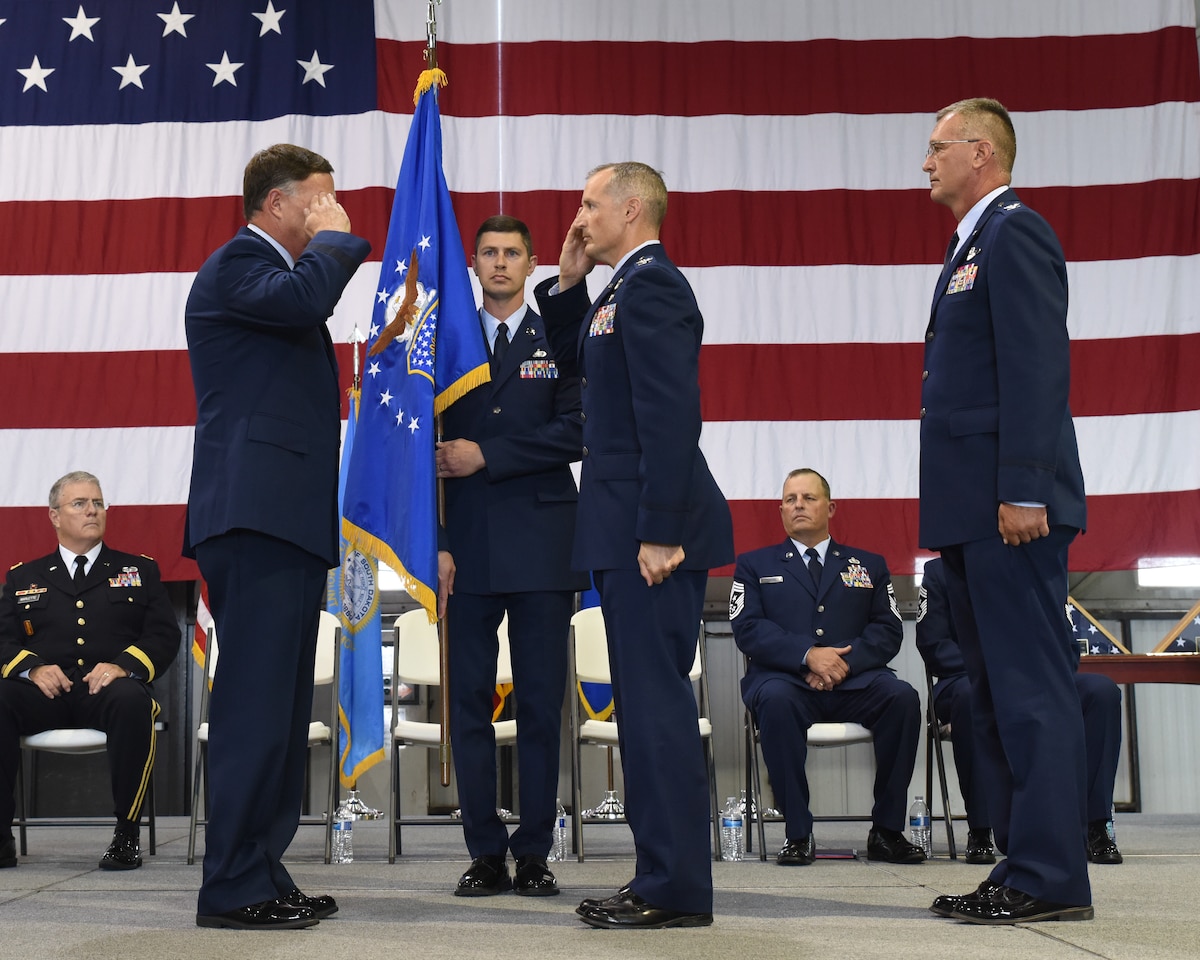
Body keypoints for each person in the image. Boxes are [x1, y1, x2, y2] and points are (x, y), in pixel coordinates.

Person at [534, 162, 733, 930]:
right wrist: (568, 287)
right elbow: (585, 375)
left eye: (589, 205)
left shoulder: (655, 285)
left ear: (631, 208)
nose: (579, 216)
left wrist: (660, 528)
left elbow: (671, 415)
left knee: (655, 714)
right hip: (623, 527)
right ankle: (659, 876)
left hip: (651, 532)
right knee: (645, 711)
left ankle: (675, 887)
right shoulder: (619, 290)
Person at [185, 144, 370, 930]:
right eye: (319, 200)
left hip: (286, 520)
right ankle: (230, 884)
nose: (332, 211)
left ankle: (262, 866)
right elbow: (302, 304)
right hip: (252, 517)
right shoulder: (238, 266)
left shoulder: (274, 277)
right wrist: (335, 243)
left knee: (284, 711)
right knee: (254, 710)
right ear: (276, 205)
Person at [919, 98, 1092, 924]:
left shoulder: (1015, 232)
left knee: (1031, 693)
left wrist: (1025, 485)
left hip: (1009, 505)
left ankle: (1054, 876)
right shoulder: (970, 244)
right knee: (991, 697)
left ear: (979, 153)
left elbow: (1036, 365)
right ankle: (1019, 866)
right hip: (970, 510)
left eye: (937, 148)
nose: (927, 163)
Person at [434, 215, 588, 898]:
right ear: (474, 262)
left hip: (543, 545)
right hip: (463, 549)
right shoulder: (446, 339)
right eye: (489, 253)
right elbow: (421, 448)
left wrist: (486, 456)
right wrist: (431, 543)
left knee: (540, 705)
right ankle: (484, 852)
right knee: (468, 704)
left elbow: (578, 430)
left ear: (531, 265)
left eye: (512, 254)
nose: (500, 264)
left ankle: (532, 852)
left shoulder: (558, 334)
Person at [730, 468, 924, 867]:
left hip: (855, 684)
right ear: (781, 510)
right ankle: (797, 833)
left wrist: (841, 664)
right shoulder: (754, 564)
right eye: (790, 499)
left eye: (808, 497)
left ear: (831, 507)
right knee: (777, 703)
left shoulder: (867, 564)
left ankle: (886, 831)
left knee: (902, 698)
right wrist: (807, 656)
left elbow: (888, 630)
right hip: (785, 681)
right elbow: (748, 628)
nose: (798, 505)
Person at [0, 471, 180, 871]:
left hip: (108, 694)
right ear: (54, 516)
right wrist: (32, 669)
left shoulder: (139, 570)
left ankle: (126, 835)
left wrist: (123, 666)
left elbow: (163, 636)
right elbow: (3, 638)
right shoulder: (24, 576)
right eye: (80, 503)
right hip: (45, 696)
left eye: (98, 503)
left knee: (134, 701)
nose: (92, 510)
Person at [917, 557, 1124, 866]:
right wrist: (995, 669)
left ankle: (1095, 826)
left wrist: (1023, 673)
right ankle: (981, 828)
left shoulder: (1038, 565)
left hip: (1032, 678)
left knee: (1101, 692)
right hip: (966, 680)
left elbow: (1066, 645)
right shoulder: (940, 571)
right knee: (973, 697)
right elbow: (934, 646)